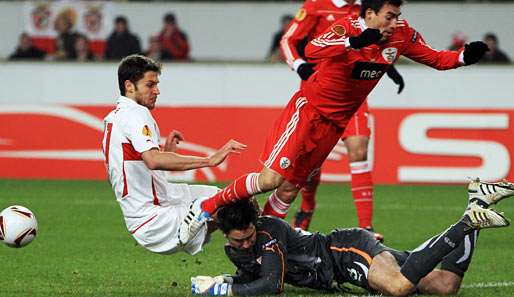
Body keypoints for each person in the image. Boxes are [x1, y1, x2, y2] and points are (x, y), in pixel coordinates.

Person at [179, 0, 490, 244]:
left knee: (288, 192)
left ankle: (265, 243)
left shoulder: (402, 35)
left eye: (397, 15)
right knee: (271, 180)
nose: (395, 22)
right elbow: (312, 49)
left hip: (334, 125)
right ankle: (206, 207)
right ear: (369, 14)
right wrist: (354, 42)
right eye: (389, 16)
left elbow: (436, 58)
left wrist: (464, 56)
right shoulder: (345, 28)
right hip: (308, 113)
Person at [191, 178, 513, 296]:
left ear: (256, 224)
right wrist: (222, 280)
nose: (246, 244)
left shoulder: (269, 232)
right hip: (345, 263)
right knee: (445, 286)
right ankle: (477, 202)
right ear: (226, 236)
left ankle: (467, 223)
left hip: (344, 251)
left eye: (248, 237)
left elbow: (271, 283)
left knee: (399, 287)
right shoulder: (237, 250)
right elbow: (251, 275)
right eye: (239, 242)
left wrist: (227, 292)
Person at [278, 0, 405, 235]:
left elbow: (375, 44)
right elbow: (288, 40)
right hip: (322, 92)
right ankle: (307, 207)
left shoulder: (367, 7)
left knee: (359, 150)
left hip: (355, 92)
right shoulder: (317, 5)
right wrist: (299, 66)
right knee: (309, 162)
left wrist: (389, 69)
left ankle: (366, 229)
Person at [101, 54, 246, 255]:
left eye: (157, 84)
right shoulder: (135, 114)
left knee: (231, 201)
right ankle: (258, 265)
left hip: (154, 207)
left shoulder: (113, 119)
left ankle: (253, 260)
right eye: (150, 85)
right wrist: (209, 160)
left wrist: (166, 153)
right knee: (236, 211)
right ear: (129, 86)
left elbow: (119, 177)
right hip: (156, 217)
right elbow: (152, 161)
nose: (156, 91)